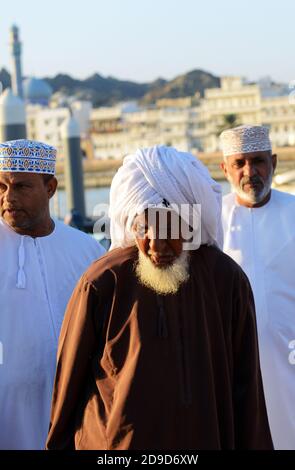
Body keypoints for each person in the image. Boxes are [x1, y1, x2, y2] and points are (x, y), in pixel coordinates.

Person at [46, 145, 272, 450]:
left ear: (190, 226)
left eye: (169, 229)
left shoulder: (226, 281)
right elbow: (69, 384)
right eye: (145, 229)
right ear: (131, 223)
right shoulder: (103, 281)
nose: (156, 245)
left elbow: (247, 390)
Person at [0, 139, 105, 450]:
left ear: (50, 188)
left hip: (74, 405)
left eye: (21, 187)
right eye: (1, 186)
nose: (8, 197)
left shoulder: (87, 250)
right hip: (8, 411)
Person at [220, 125, 295, 450]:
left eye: (258, 161)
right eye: (239, 163)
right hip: (232, 362)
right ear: (225, 169)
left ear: (273, 162)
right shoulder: (209, 221)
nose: (249, 172)